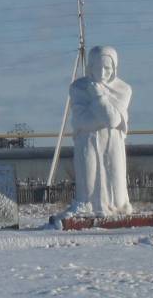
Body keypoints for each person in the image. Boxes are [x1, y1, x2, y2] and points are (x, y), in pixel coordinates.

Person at [65, 46, 133, 217]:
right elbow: (81, 120)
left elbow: (113, 121)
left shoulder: (123, 89)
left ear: (114, 68)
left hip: (113, 143)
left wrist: (97, 97)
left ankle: (117, 209)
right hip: (87, 141)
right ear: (90, 66)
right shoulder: (78, 87)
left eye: (107, 68)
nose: (102, 72)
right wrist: (104, 117)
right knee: (88, 184)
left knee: (115, 186)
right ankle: (89, 207)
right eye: (98, 67)